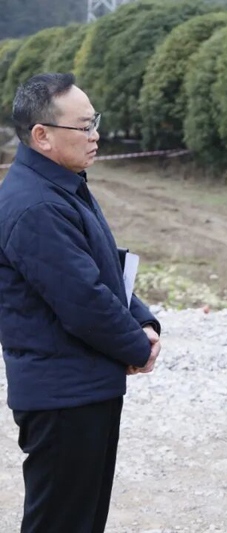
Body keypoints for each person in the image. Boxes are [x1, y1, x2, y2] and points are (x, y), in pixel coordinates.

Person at [0, 73, 162, 532]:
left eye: (96, 122)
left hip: (84, 387)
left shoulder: (61, 185)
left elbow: (101, 265)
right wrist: (137, 347)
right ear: (42, 136)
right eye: (84, 126)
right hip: (63, 397)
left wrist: (143, 320)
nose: (96, 135)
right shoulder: (35, 205)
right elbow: (82, 299)